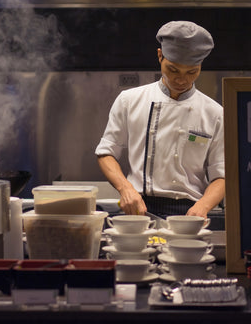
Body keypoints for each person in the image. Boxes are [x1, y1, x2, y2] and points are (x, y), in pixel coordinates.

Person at [95, 20, 225, 218]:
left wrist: (204, 206)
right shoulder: (130, 100)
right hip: (138, 208)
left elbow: (222, 174)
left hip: (190, 211)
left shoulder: (215, 113)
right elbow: (106, 152)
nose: (182, 80)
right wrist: (126, 189)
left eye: (192, 72)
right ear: (159, 56)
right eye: (173, 70)